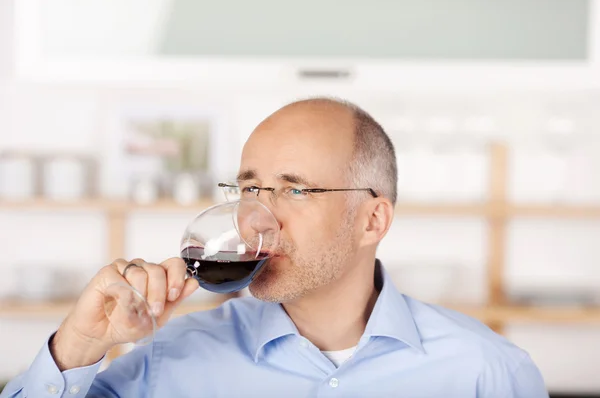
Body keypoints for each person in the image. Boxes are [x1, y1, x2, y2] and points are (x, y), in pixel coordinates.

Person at [1, 98, 549, 398]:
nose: (257, 216)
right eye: (249, 189)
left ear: (372, 220)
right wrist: (76, 347)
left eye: (294, 189)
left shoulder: (488, 373)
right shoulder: (170, 361)